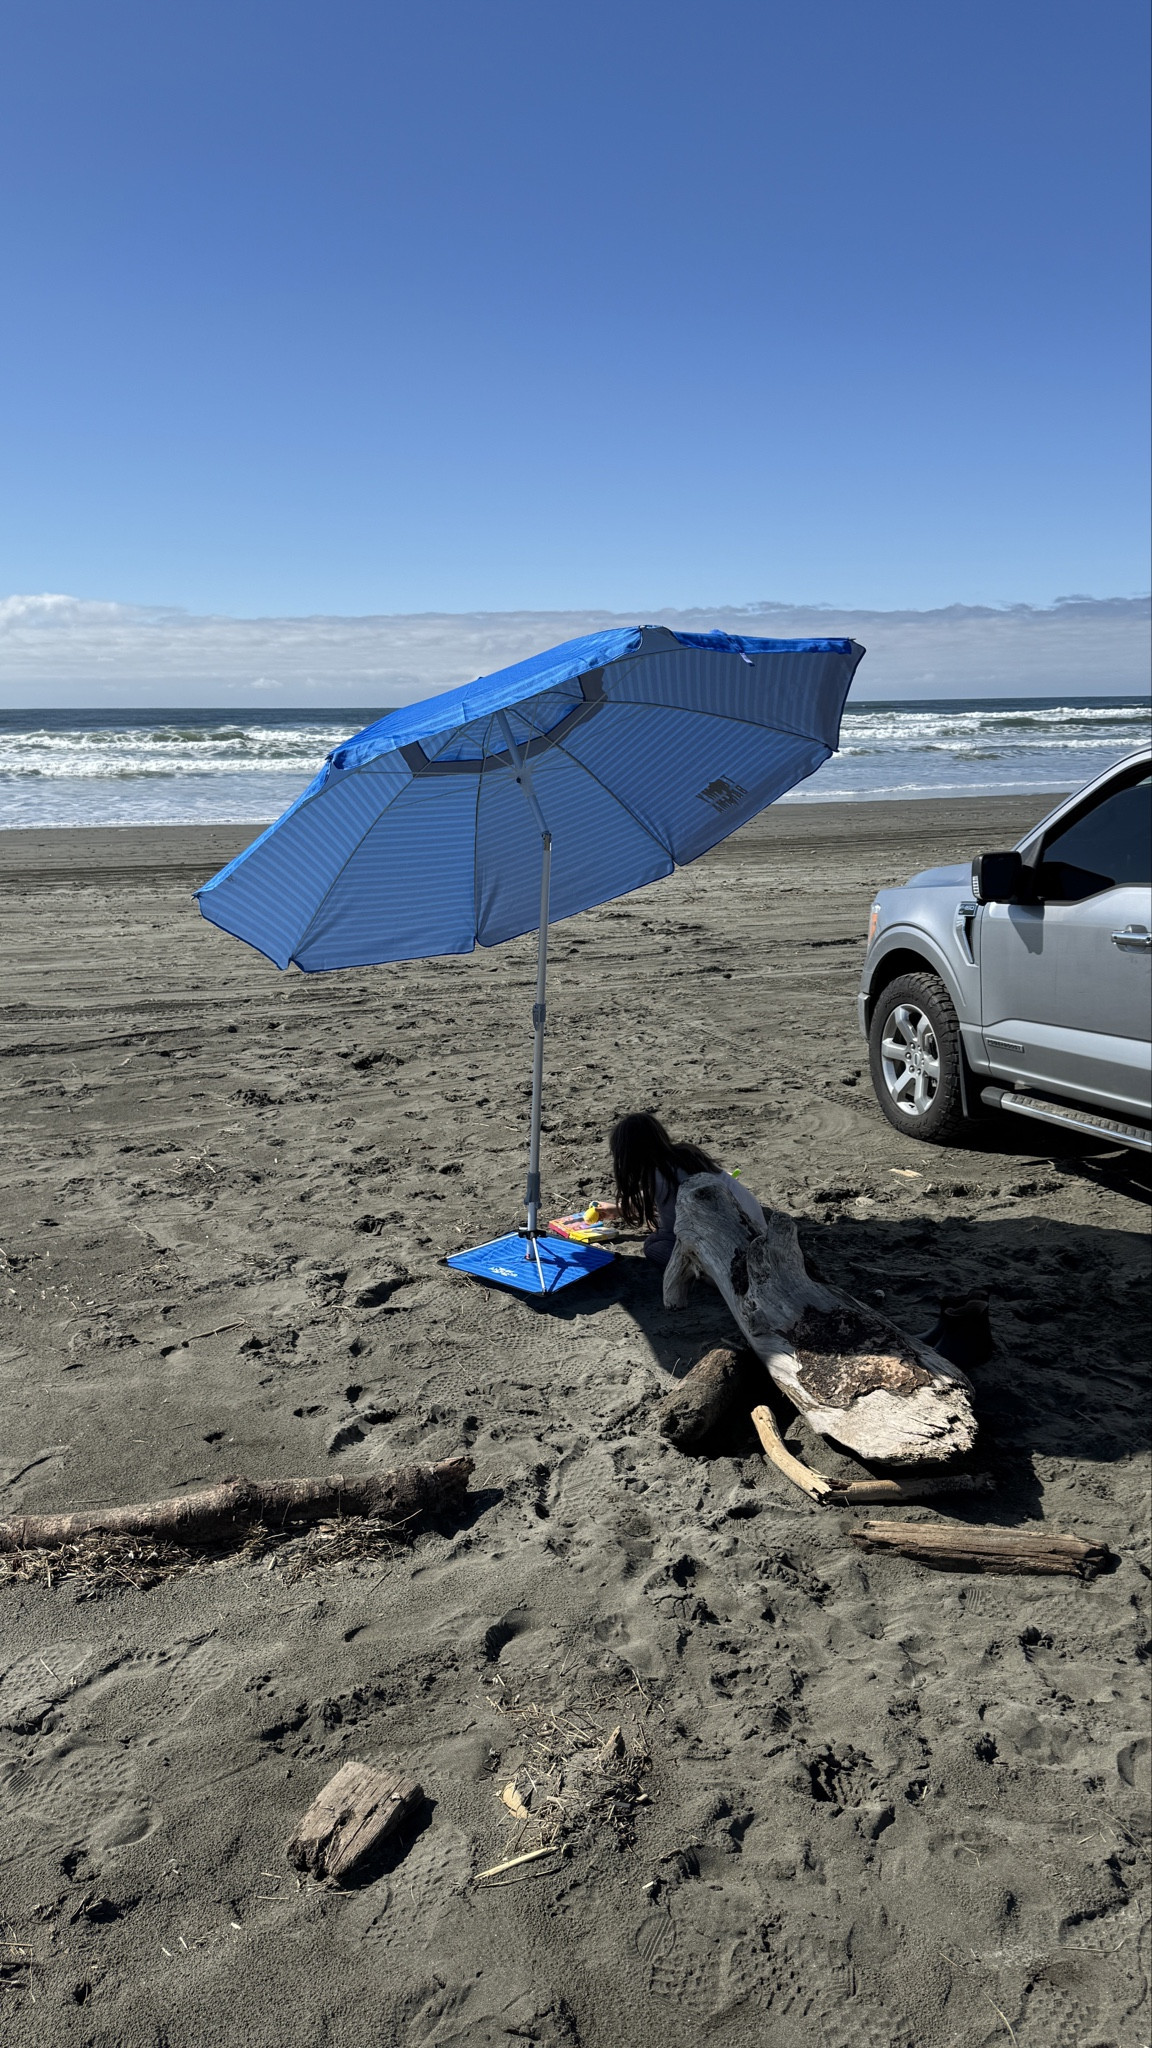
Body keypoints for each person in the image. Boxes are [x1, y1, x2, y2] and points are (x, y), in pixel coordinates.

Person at [605, 1111, 763, 1267]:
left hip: (735, 1253)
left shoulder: (660, 1176)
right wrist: (618, 1209)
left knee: (653, 1245)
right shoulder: (685, 1155)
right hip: (757, 1232)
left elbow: (675, 1232)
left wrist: (657, 1228)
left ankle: (706, 1274)